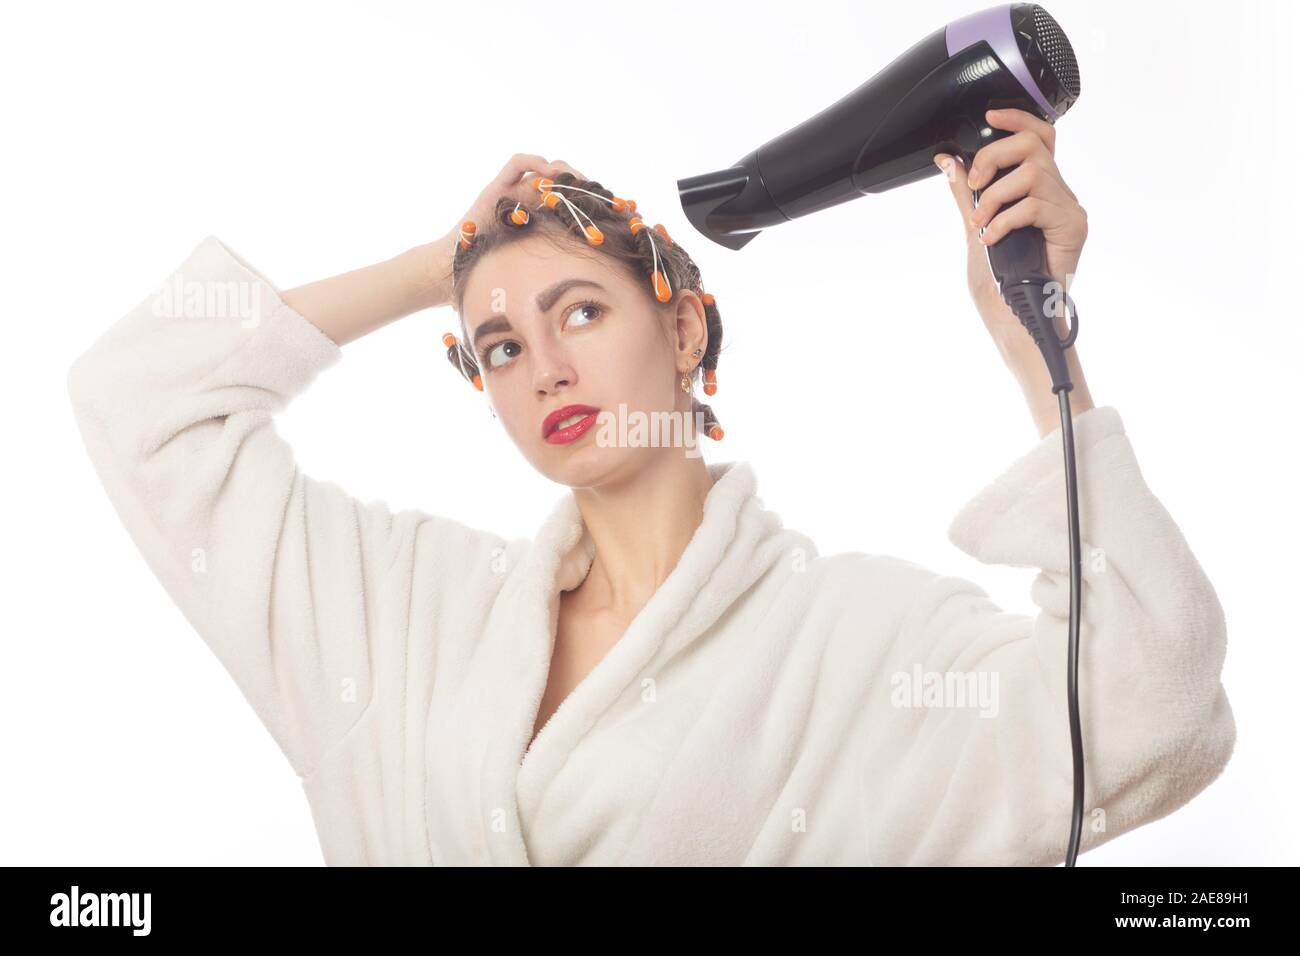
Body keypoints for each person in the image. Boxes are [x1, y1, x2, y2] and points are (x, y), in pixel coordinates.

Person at [66, 110, 1235, 866]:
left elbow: (1154, 704)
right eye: (501, 346)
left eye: (579, 310)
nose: (547, 367)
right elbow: (139, 399)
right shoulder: (403, 610)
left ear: (681, 330)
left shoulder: (855, 642)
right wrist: (445, 263)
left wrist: (1039, 342)